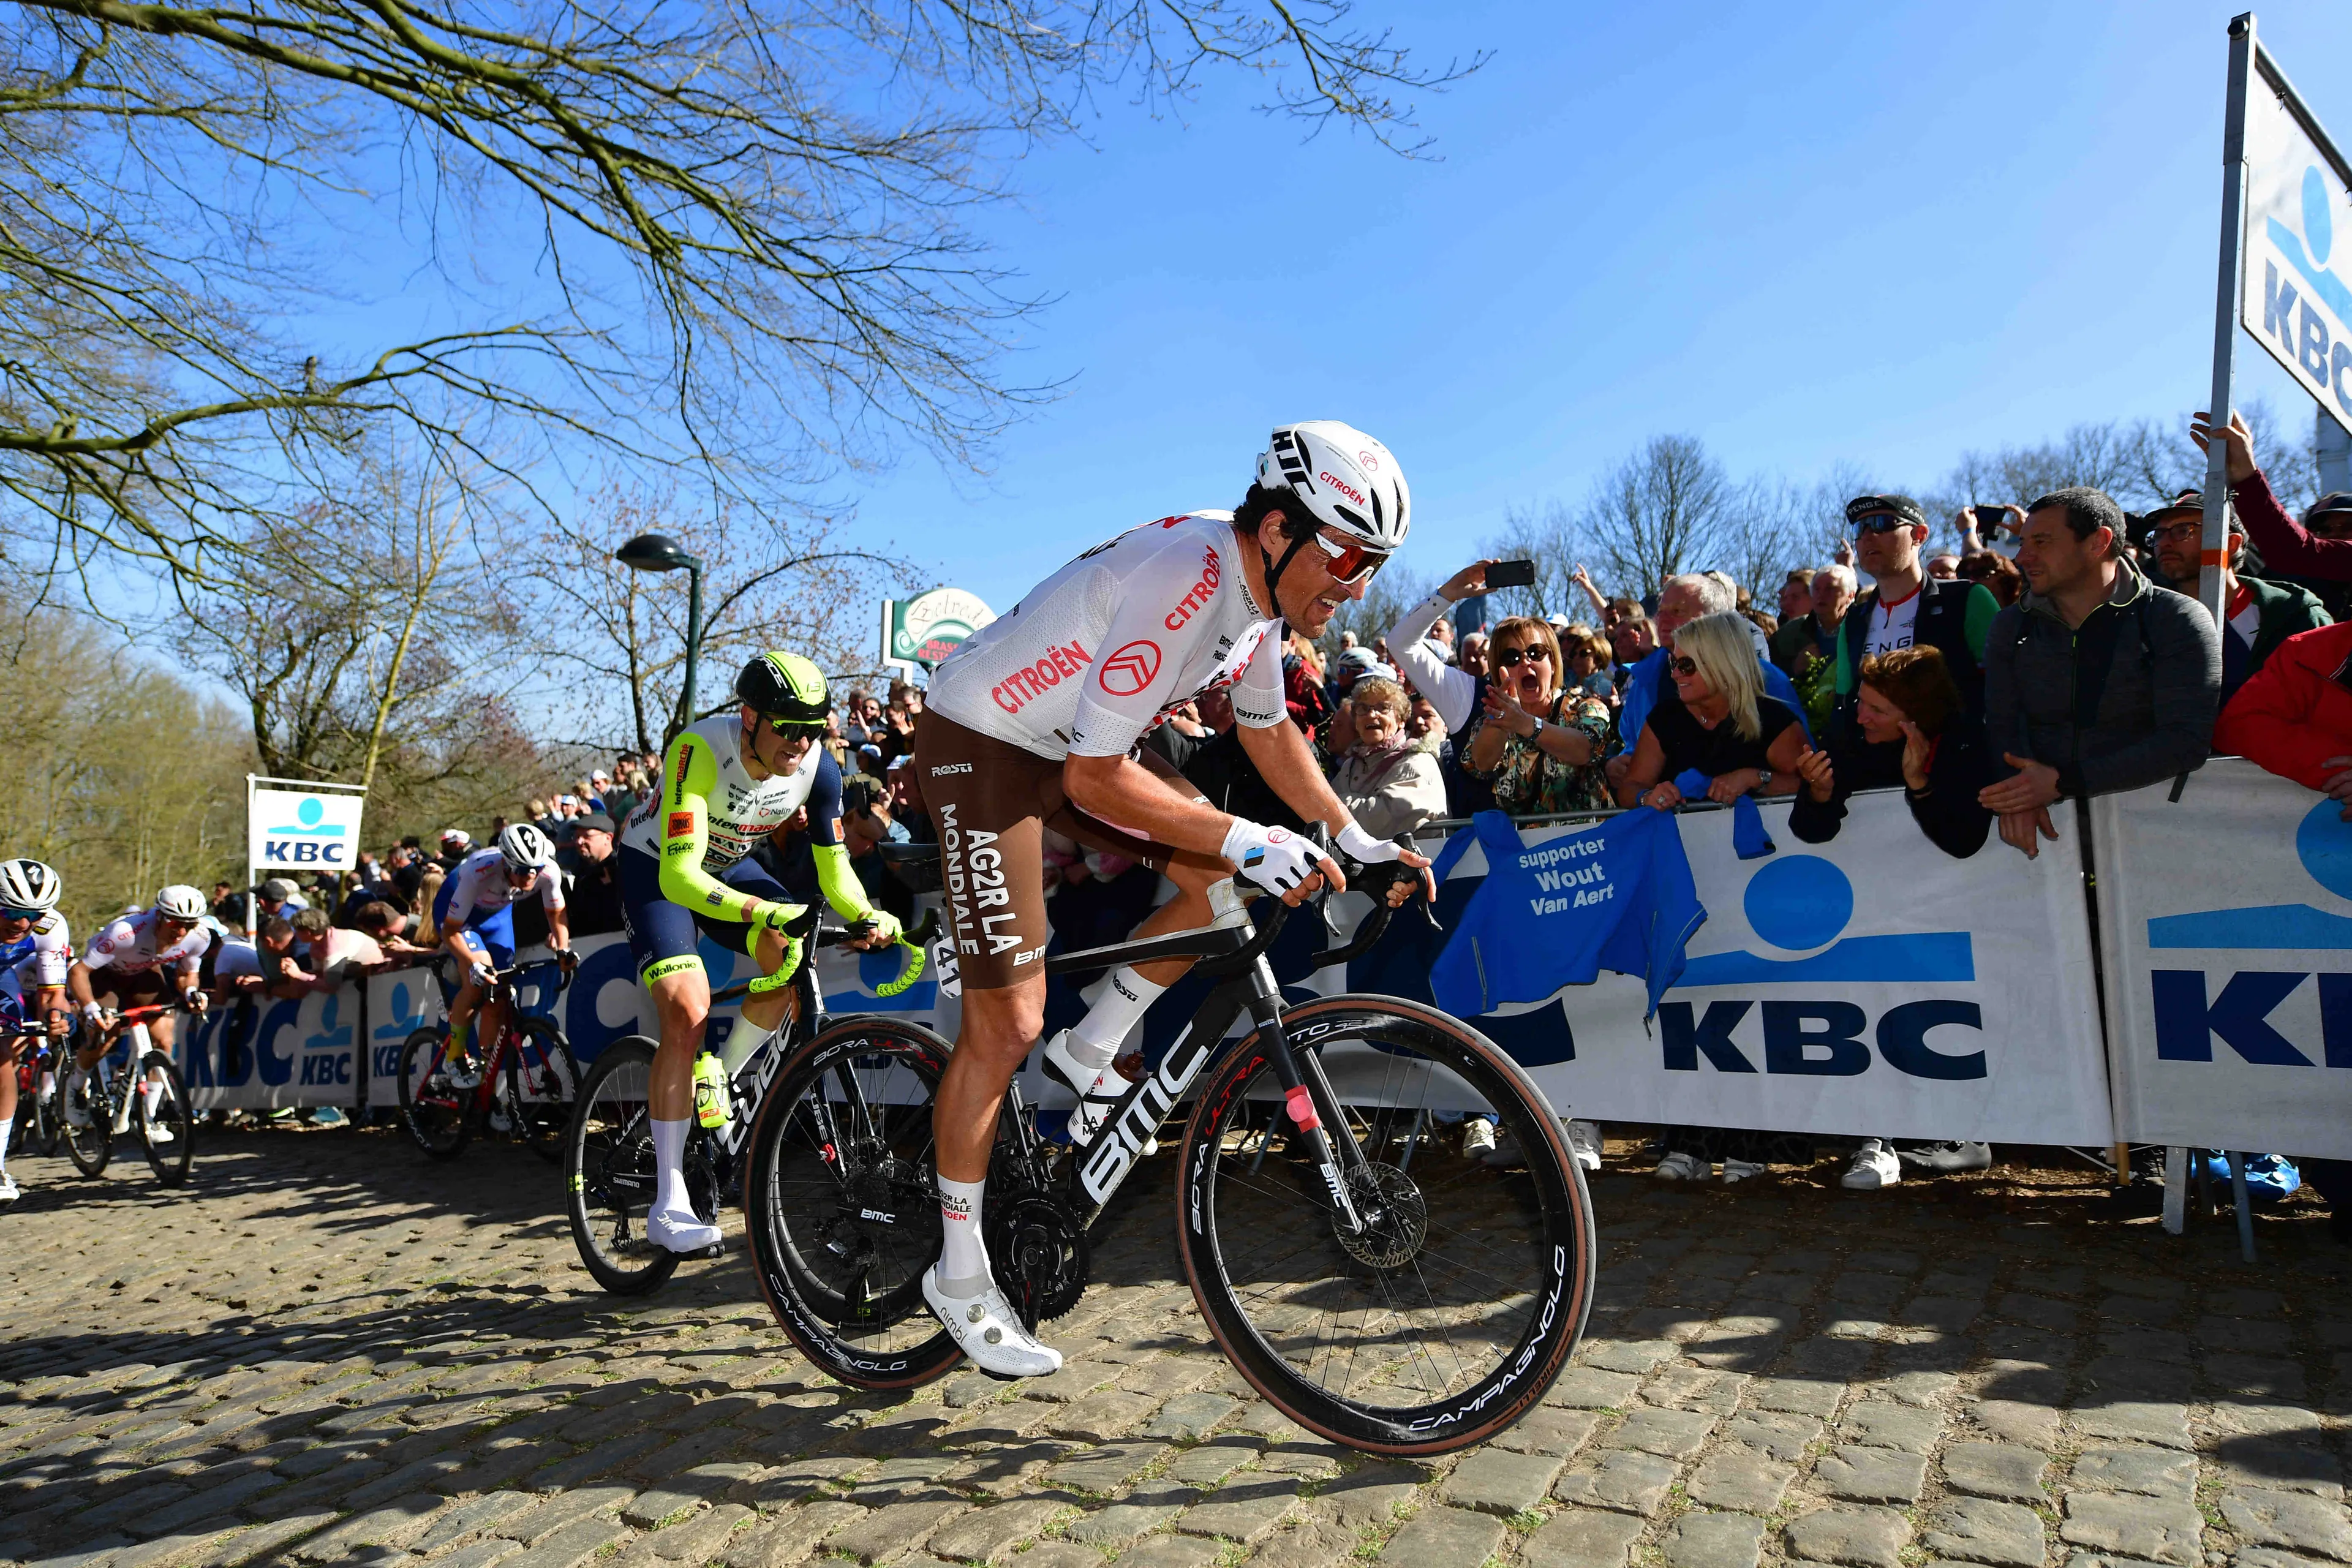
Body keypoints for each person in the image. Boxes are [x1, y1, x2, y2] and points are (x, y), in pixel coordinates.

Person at [914, 420, 1429, 1377]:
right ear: (1276, 530)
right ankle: (958, 1272)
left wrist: (1351, 835)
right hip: (981, 744)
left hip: (1068, 746)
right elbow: (1096, 779)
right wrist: (1246, 836)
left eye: (1374, 565)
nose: (1358, 586)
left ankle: (1090, 1047)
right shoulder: (1190, 578)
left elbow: (1267, 729)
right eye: (1349, 557)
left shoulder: (1259, 601)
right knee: (1007, 1022)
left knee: (1217, 881)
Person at [615, 652, 901, 1254]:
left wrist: (866, 914)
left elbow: (835, 871)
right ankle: (668, 1202)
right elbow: (681, 877)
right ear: (750, 717)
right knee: (687, 1010)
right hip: (659, 870)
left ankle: (721, 1072)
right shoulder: (698, 749)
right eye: (788, 727)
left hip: (727, 866)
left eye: (813, 728)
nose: (801, 743)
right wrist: (765, 910)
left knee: (793, 956)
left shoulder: (819, 769)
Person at [1979, 487, 2221, 859]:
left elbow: (2185, 740)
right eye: (2023, 543)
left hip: (2160, 836)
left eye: (2041, 542)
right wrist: (2018, 795)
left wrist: (2061, 783)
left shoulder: (2176, 618)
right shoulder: (2009, 626)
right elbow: (2002, 725)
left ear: (2098, 543)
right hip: (2048, 844)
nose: (2023, 557)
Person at [2143, 477, 2329, 709]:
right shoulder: (2146, 620)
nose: (2164, 543)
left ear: (2231, 544)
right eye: (2159, 534)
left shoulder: (2292, 615)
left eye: (2183, 531)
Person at [1830, 494, 2002, 741]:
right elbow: (1844, 705)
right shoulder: (1854, 620)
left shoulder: (1968, 598)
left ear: (1919, 535)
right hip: (1874, 760)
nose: (1868, 536)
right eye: (1860, 528)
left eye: (1881, 523)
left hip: (1954, 758)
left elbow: (2007, 689)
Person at [1791, 646, 1992, 858]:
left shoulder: (1961, 742)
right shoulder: (1849, 733)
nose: (1862, 718)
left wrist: (1918, 782)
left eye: (1877, 710)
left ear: (1917, 717)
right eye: (1861, 701)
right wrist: (1820, 793)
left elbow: (1964, 842)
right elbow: (1810, 832)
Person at [1616, 612, 1808, 812]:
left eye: (1686, 665)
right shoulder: (1666, 718)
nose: (1675, 674)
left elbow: (1813, 786)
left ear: (1722, 665)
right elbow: (1630, 787)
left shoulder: (1771, 718)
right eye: (1673, 663)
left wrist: (1755, 778)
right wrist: (1646, 797)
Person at [432, 823, 572, 1096]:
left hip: (497, 916)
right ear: (506, 863)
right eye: (522, 870)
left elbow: (557, 915)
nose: (531, 876)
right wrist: (471, 963)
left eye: (536, 869)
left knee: (500, 996)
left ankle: (486, 1085)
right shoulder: (479, 872)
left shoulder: (549, 870)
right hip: (460, 917)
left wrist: (563, 949)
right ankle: (455, 1056)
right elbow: (450, 931)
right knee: (479, 981)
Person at [67, 886, 213, 1144]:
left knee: (164, 1039)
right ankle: (75, 1086)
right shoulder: (125, 933)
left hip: (144, 973)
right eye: (175, 923)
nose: (181, 932)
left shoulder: (200, 937)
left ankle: (148, 1116)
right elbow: (79, 971)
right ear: (159, 916)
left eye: (189, 925)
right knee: (107, 1033)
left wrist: (192, 992)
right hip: (104, 975)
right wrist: (90, 1008)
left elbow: (186, 974)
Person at [1462, 616, 1617, 815]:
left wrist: (1528, 725)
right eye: (1512, 657)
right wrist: (1501, 722)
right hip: (1522, 835)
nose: (1525, 662)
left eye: (1536, 653)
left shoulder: (1581, 705)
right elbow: (1481, 764)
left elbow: (1586, 749)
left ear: (1553, 663)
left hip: (1588, 833)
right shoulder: (1493, 717)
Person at [0, 859, 69, 1202]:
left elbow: (52, 994)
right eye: (13, 912)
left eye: (34, 915)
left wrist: (58, 1016)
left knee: (3, 1058)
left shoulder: (51, 926)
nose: (24, 924)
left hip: (3, 975)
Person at [1327, 677, 1447, 838]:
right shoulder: (1350, 764)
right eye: (1363, 709)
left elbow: (1383, 821)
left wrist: (1331, 805)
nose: (1371, 715)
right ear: (1356, 722)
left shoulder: (1418, 760)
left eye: (1383, 708)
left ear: (1401, 720)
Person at [1771, 565, 1853, 677]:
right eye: (1786, 598)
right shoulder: (1782, 637)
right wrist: (1795, 667)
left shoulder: (1859, 627)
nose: (1785, 605)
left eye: (1796, 597)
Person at [561, 812, 624, 937]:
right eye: (576, 836)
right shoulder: (582, 871)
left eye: (587, 836)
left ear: (608, 838)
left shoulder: (619, 868)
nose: (579, 841)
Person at [1958, 551, 2024, 608]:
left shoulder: (2022, 614)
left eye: (1979, 573)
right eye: (1963, 575)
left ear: (2003, 576)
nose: (1970, 580)